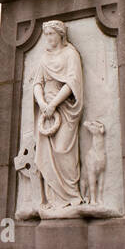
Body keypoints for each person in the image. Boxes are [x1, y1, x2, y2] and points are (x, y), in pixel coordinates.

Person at [32, 20, 84, 210]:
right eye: (46, 35)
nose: (48, 38)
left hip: (64, 108)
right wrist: (43, 104)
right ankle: (54, 200)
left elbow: (72, 83)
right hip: (46, 111)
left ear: (60, 35)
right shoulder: (44, 57)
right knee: (46, 155)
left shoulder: (70, 54)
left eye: (51, 34)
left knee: (63, 151)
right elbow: (37, 83)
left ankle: (71, 196)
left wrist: (53, 105)